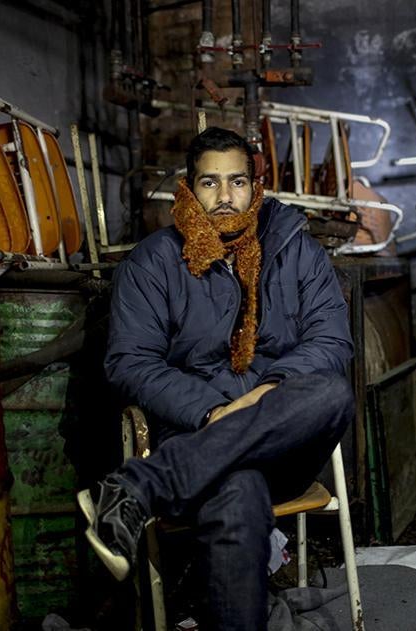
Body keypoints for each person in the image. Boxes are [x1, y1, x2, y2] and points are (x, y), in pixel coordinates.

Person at [78, 127, 355, 630]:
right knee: (238, 493)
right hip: (196, 435)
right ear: (188, 188)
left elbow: (333, 343)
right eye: (210, 183)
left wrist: (265, 396)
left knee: (332, 392)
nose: (226, 197)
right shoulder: (155, 262)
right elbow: (131, 362)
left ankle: (141, 487)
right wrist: (210, 411)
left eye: (238, 182)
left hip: (284, 440)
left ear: (255, 187)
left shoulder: (296, 250)